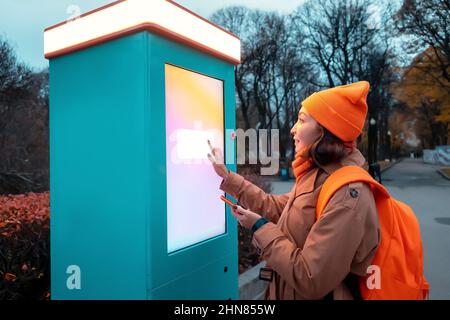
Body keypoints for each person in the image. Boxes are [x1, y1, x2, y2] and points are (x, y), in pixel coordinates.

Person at [207, 81, 380, 300]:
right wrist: (228, 177)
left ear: (325, 130)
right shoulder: (320, 176)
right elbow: (279, 208)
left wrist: (259, 227)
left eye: (301, 119)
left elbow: (310, 279)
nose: (293, 129)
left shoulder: (348, 194)